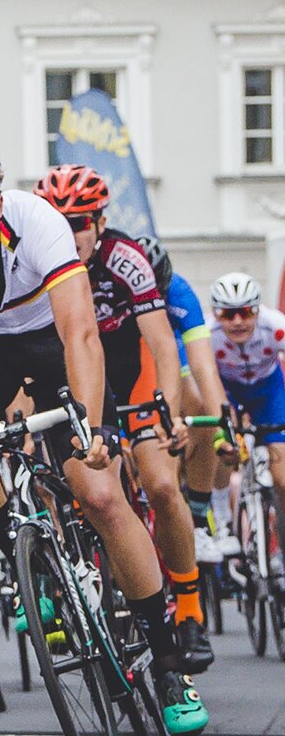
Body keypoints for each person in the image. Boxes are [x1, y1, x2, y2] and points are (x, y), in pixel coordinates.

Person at [0, 139, 205, 736]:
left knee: (103, 496)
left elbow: (82, 334)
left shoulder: (40, 225)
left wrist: (91, 423)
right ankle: (25, 554)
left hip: (57, 342)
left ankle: (167, 664)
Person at [34, 166, 210, 674]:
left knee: (159, 484)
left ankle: (191, 607)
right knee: (55, 481)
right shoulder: (36, 265)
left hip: (131, 377)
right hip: (75, 378)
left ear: (101, 220)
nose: (71, 235)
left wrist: (167, 412)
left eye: (81, 223)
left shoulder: (125, 259)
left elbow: (160, 341)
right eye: (59, 222)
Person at [136, 234, 235, 563]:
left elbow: (204, 366)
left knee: (199, 405)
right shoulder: (108, 287)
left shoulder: (179, 290)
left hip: (169, 357)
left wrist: (222, 424)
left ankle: (198, 518)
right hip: (128, 360)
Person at [207, 271, 285, 508]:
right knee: (226, 449)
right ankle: (221, 519)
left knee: (282, 476)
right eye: (228, 314)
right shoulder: (208, 334)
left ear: (258, 310)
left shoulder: (275, 325)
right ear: (216, 314)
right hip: (228, 391)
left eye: (246, 311)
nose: (238, 321)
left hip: (268, 391)